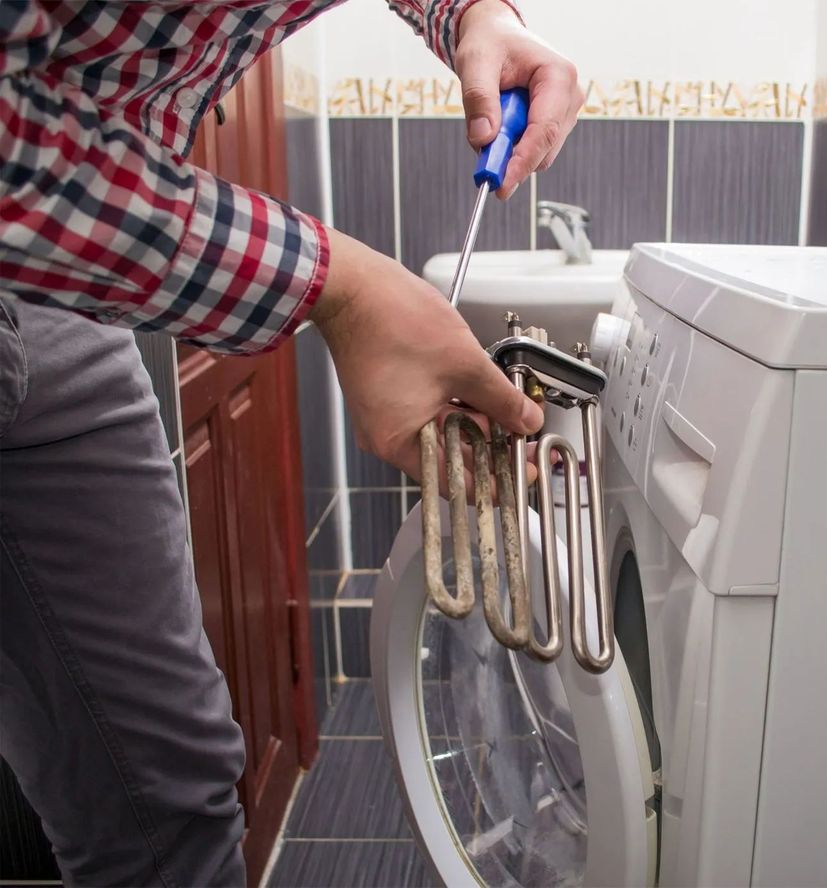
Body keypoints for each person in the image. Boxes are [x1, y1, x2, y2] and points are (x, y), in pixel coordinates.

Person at [0, 1, 583, 884]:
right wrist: (341, 289)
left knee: (173, 799)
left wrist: (473, 15)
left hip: (61, 300)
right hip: (35, 228)